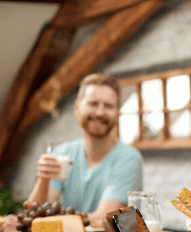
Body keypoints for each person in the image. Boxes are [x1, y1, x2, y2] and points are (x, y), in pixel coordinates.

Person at [25, 73, 143, 223]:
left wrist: (53, 219)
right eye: (93, 104)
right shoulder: (63, 153)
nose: (100, 112)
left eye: (108, 106)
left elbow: (104, 218)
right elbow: (33, 216)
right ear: (77, 108)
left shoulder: (129, 158)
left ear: (117, 112)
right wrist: (43, 179)